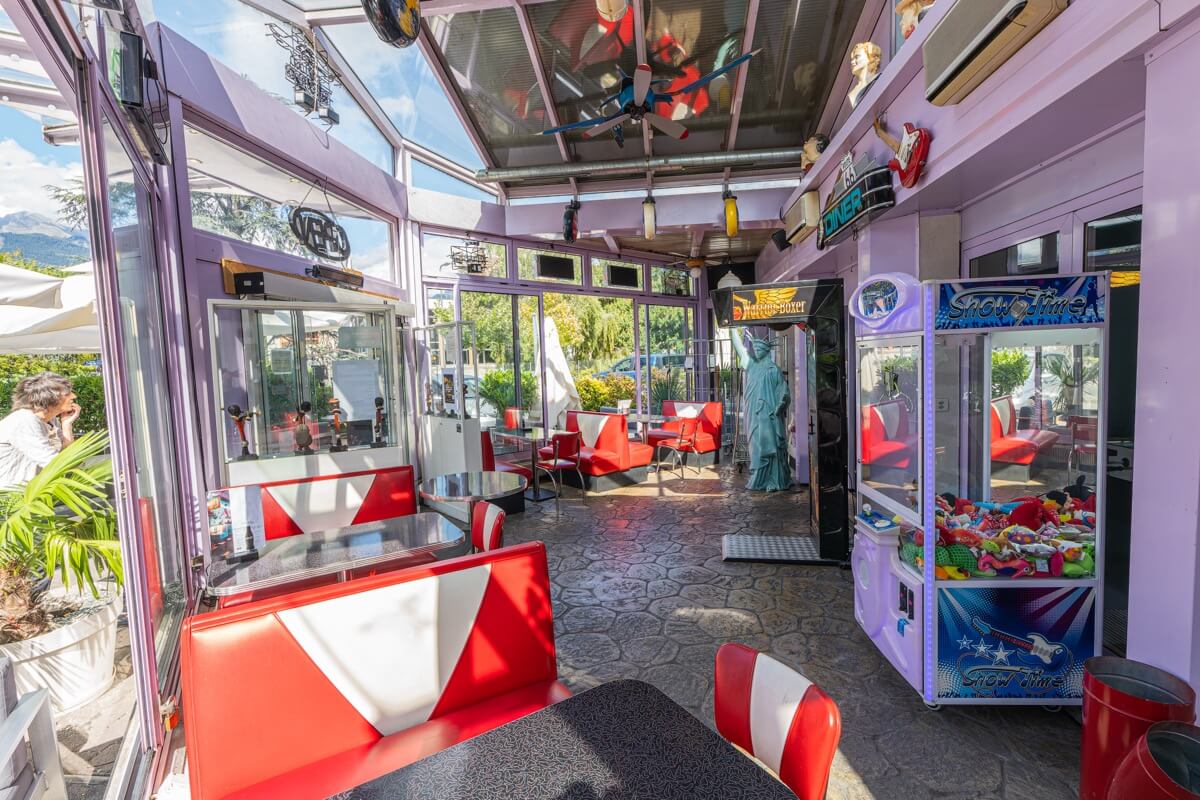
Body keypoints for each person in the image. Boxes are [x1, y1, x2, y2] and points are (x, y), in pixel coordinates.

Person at [0, 372, 80, 489]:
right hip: (11, 499)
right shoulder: (24, 420)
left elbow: (64, 458)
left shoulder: (51, 421)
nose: (73, 396)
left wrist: (67, 425)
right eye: (67, 393)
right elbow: (53, 463)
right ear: (49, 397)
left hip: (33, 495)